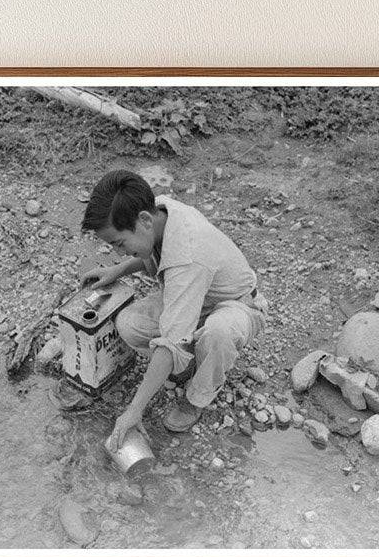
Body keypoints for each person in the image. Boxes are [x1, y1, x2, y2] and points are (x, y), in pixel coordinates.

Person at [80, 169, 266, 450]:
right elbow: (151, 251)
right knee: (129, 323)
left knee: (217, 333)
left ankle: (197, 397)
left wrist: (134, 411)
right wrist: (118, 270)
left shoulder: (188, 256)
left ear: (143, 220)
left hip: (237, 306)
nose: (119, 251)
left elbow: (168, 344)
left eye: (119, 244)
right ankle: (190, 361)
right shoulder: (159, 210)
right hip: (195, 295)